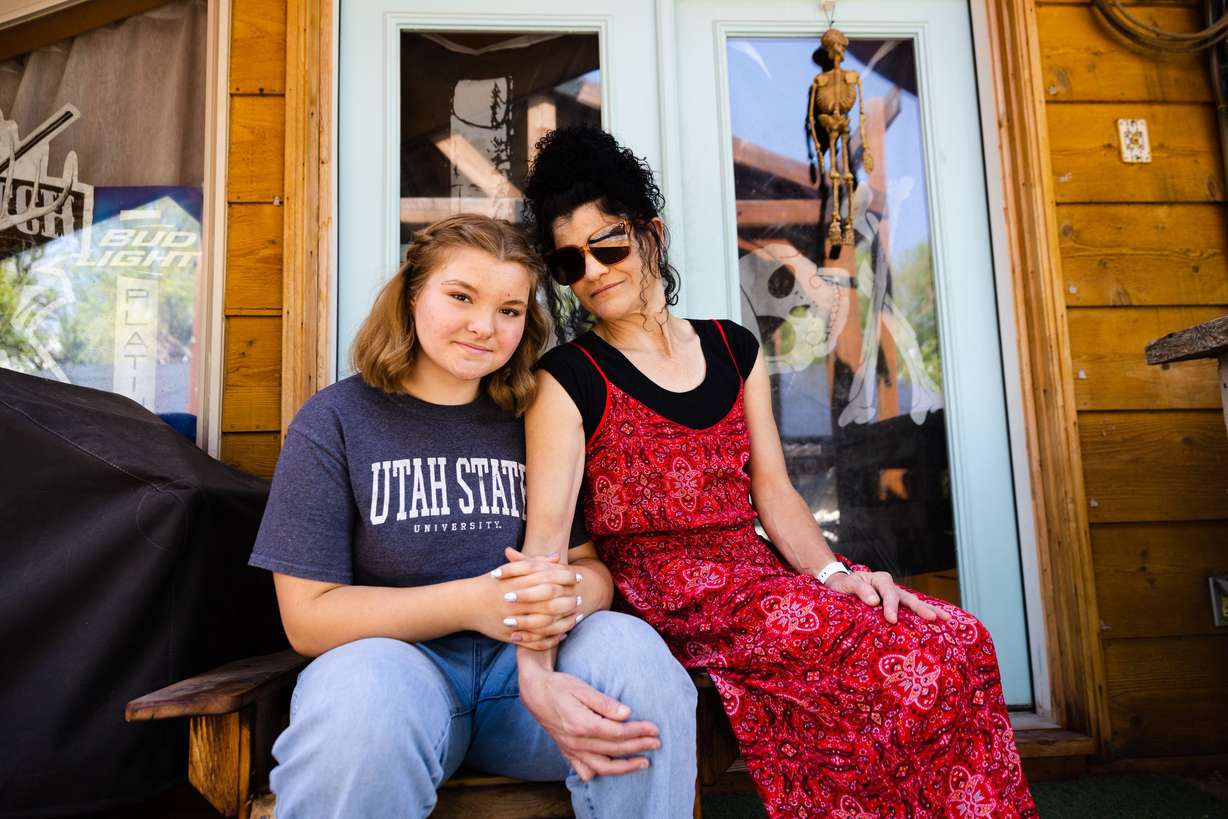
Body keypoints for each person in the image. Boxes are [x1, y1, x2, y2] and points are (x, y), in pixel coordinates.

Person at [518, 126, 1038, 818]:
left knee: (959, 636)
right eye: (568, 263)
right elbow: (546, 542)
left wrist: (834, 576)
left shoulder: (734, 347)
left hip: (757, 578)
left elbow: (774, 491)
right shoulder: (568, 378)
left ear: (652, 234)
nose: (593, 270)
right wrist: (536, 673)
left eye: (607, 242)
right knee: (897, 663)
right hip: (669, 598)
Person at [247, 213, 697, 819]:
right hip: (402, 681)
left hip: (535, 689)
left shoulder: (538, 413)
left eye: (510, 310)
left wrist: (565, 595)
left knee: (633, 651)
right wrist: (476, 603)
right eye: (460, 297)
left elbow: (590, 569)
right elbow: (307, 619)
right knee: (357, 698)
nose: (484, 326)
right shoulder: (336, 421)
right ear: (411, 295)